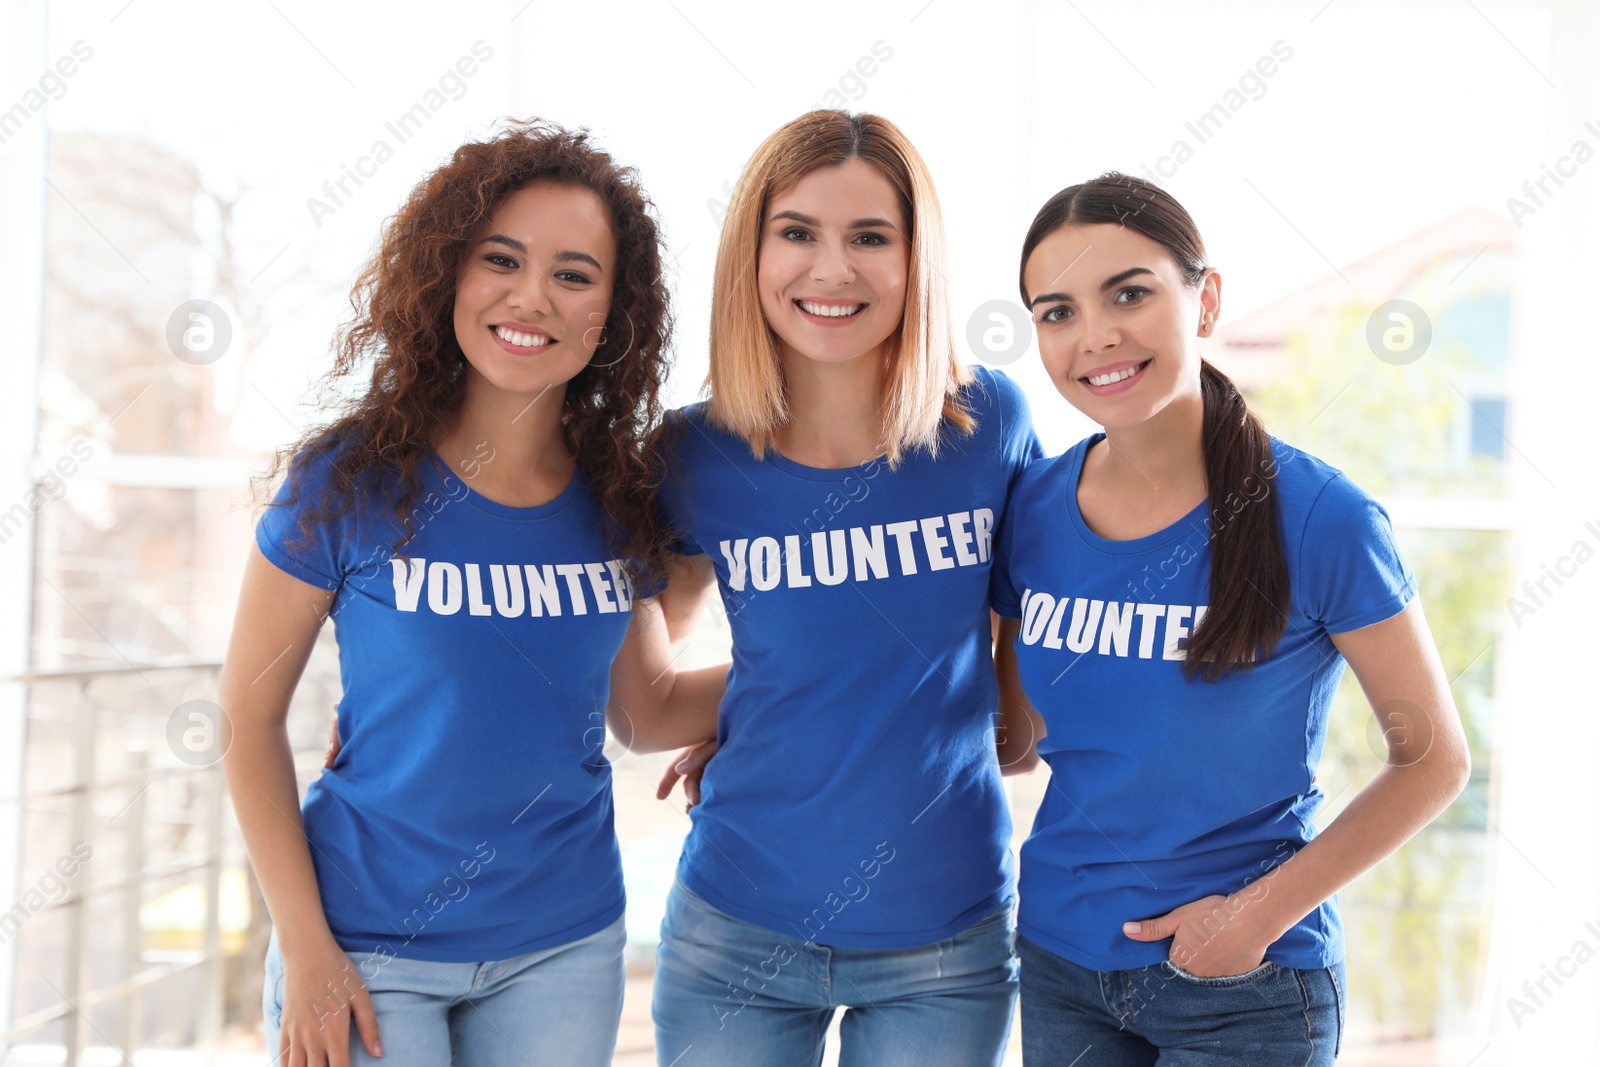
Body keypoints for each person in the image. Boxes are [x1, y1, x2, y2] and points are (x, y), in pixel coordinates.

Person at [219, 119, 723, 1067]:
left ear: (611, 312)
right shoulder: (348, 482)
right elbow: (244, 725)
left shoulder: (618, 498)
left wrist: (834, 675)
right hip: (364, 943)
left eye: (575, 274)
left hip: (563, 949)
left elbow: (648, 709)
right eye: (502, 259)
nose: (533, 296)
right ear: (448, 272)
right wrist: (305, 943)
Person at [995, 172, 1472, 1065]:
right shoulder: (1030, 506)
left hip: (1241, 983)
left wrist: (1250, 920)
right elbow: (1009, 734)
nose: (1094, 334)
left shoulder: (1322, 516)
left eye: (1128, 293)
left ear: (1204, 298)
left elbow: (1435, 759)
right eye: (1055, 312)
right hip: (1059, 958)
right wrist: (758, 726)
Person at [646, 109, 1042, 1067]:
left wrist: (850, 704)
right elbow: (645, 704)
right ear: (752, 253)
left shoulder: (985, 423)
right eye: (797, 234)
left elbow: (1018, 718)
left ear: (918, 260)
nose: (833, 270)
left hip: (943, 940)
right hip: (735, 930)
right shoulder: (692, 453)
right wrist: (781, 707)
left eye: (871, 237)